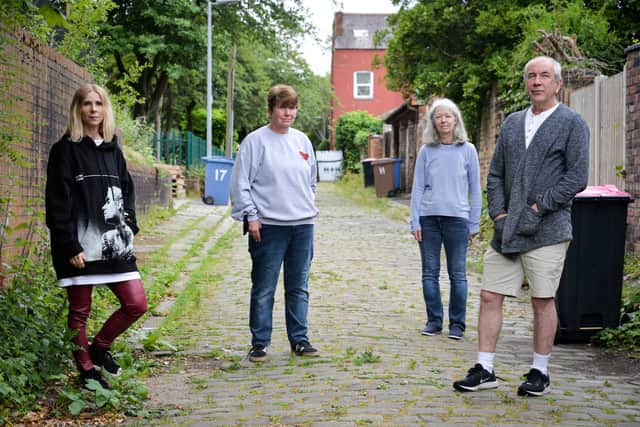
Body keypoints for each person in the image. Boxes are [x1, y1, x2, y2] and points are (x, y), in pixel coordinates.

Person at [453, 56, 589, 396]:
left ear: (558, 84)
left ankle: (539, 372)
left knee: (542, 300)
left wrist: (538, 206)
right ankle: (485, 368)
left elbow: (577, 177)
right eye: (531, 76)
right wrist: (498, 214)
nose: (537, 81)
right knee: (489, 295)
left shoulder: (572, 123)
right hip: (506, 229)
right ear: (526, 83)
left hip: (549, 229)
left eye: (544, 76)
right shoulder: (512, 122)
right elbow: (496, 172)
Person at [45, 83, 147, 389]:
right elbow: (56, 201)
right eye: (87, 104)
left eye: (98, 104)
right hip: (79, 246)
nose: (93, 109)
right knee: (79, 312)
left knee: (136, 304)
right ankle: (87, 371)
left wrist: (129, 223)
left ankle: (100, 348)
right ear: (78, 109)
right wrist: (68, 244)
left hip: (115, 244)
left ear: (106, 109)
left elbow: (126, 190)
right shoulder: (65, 150)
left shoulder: (113, 148)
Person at [230, 84, 320, 362]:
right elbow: (240, 182)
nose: (288, 112)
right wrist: (251, 215)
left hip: (302, 225)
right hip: (268, 226)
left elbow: (311, 180)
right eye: (282, 107)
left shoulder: (303, 141)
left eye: (292, 107)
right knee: (264, 286)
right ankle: (260, 341)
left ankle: (299, 339)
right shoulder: (255, 142)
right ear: (271, 110)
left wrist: (303, 205)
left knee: (298, 286)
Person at [410, 98, 481, 340]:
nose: (443, 120)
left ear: (456, 119)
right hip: (428, 218)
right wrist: (414, 220)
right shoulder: (426, 151)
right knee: (430, 272)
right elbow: (417, 187)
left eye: (448, 116)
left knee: (458, 274)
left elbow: (475, 189)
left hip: (457, 220)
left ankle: (458, 325)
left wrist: (474, 222)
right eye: (438, 116)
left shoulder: (468, 150)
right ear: (433, 122)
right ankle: (434, 321)